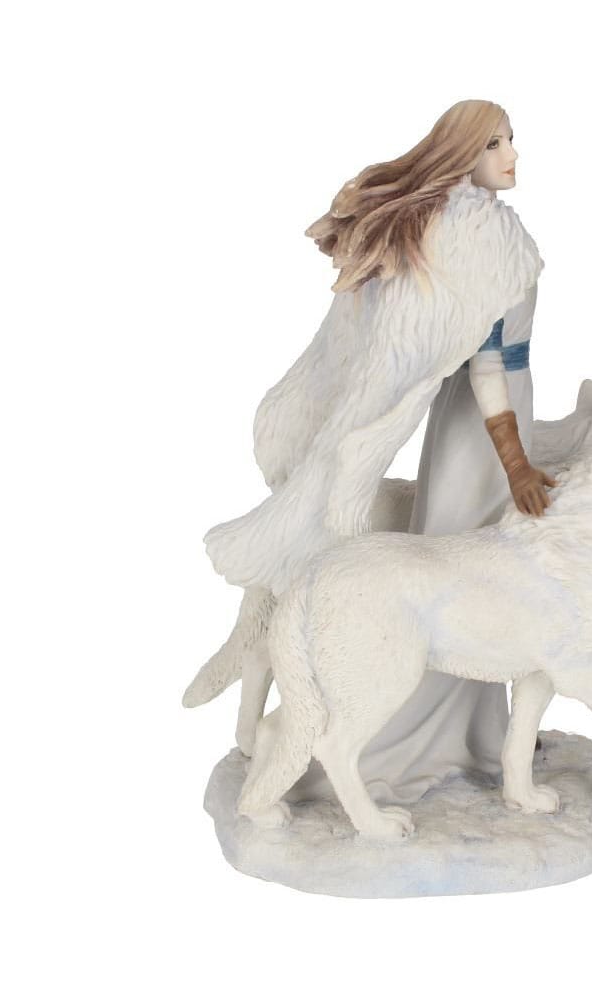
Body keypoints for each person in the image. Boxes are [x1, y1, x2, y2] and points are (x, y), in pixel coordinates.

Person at [191, 99, 553, 807]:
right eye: (493, 144)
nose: (511, 155)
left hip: (501, 411)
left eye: (511, 140)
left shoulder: (482, 230)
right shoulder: (476, 240)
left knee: (487, 571)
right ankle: (422, 735)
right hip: (487, 423)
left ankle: (479, 731)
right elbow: (487, 364)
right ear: (460, 155)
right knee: (468, 570)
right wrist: (514, 462)